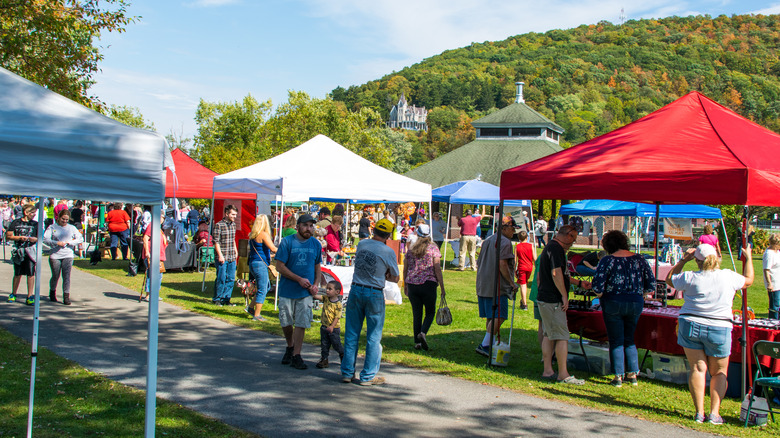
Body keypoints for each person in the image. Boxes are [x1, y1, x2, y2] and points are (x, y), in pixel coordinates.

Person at [666, 243, 753, 425]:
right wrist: (749, 257)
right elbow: (749, 280)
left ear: (697, 261)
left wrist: (683, 260)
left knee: (697, 368)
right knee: (719, 372)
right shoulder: (728, 276)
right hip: (719, 326)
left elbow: (670, 279)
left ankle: (699, 412)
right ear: (717, 258)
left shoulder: (690, 277)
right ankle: (714, 413)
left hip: (691, 323)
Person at [591, 231, 655, 387]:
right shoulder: (640, 259)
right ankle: (632, 374)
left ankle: (618, 376)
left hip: (613, 301)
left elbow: (597, 287)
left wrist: (600, 294)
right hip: (635, 301)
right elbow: (651, 285)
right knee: (629, 338)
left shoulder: (607, 260)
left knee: (616, 339)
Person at [341, 218, 400, 386]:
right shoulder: (388, 251)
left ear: (374, 230)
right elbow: (395, 277)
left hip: (356, 289)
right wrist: (386, 275)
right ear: (388, 235)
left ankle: (347, 372)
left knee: (352, 333)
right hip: (374, 292)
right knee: (373, 336)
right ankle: (367, 376)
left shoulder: (362, 244)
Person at [537, 225, 590, 384]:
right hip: (553, 300)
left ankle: (548, 370)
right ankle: (563, 374)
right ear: (567, 235)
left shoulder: (549, 247)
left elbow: (552, 274)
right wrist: (564, 296)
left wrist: (578, 283)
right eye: (572, 239)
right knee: (561, 337)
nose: (572, 243)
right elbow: (556, 273)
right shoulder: (557, 249)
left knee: (548, 334)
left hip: (544, 298)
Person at [275, 213, 323, 370]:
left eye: (311, 226)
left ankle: (297, 354)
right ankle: (290, 346)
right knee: (286, 321)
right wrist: (298, 279)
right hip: (287, 289)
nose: (309, 229)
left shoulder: (315, 244)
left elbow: (317, 268)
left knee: (301, 322)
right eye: (305, 225)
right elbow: (279, 266)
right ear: (298, 227)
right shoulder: (287, 242)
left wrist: (315, 284)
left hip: (305, 293)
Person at [474, 216, 519, 356]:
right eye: (512, 228)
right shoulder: (505, 242)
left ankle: (490, 343)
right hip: (497, 285)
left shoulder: (488, 240)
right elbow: (502, 264)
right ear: (504, 228)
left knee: (491, 315)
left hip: (484, 283)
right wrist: (512, 282)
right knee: (500, 315)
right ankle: (486, 344)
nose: (514, 231)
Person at [403, 224, 445, 351]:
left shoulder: (411, 250)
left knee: (417, 314)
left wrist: (405, 285)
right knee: (430, 312)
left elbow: (405, 268)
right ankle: (423, 332)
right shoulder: (433, 248)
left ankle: (417, 342)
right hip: (428, 283)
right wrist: (442, 286)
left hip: (412, 284)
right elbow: (437, 268)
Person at [43, 209, 83, 305]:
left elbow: (80, 238)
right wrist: (56, 243)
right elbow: (45, 239)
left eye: (66, 219)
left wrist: (70, 242)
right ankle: (52, 291)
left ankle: (66, 296)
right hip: (56, 254)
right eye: (63, 219)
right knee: (55, 275)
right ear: (58, 218)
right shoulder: (52, 227)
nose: (64, 221)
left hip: (68, 254)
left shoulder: (72, 228)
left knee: (66, 276)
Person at [7, 203, 39, 305]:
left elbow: (40, 237)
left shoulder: (35, 224)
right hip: (19, 250)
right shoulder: (15, 222)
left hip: (30, 250)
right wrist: (19, 238)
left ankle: (30, 296)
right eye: (32, 213)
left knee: (30, 273)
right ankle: (13, 293)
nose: (34, 214)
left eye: (34, 213)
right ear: (25, 212)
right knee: (17, 273)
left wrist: (35, 239)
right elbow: (9, 235)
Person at [247, 214, 277, 322]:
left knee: (266, 287)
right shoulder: (263, 234)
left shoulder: (252, 235)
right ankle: (257, 314)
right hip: (260, 264)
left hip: (254, 263)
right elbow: (273, 248)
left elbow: (260, 251)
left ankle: (250, 307)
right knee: (262, 289)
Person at [314, 281, 345, 369]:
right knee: (324, 344)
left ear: (337, 292)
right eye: (327, 288)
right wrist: (312, 292)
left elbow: (337, 317)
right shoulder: (326, 299)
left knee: (336, 344)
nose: (327, 291)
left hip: (333, 328)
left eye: (330, 289)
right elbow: (317, 297)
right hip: (324, 326)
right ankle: (324, 359)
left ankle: (343, 355)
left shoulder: (338, 304)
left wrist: (332, 326)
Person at [212, 205, 238, 306]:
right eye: (232, 214)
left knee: (231, 278)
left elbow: (233, 239)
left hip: (231, 254)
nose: (234, 216)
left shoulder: (233, 225)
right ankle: (217, 298)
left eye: (235, 215)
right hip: (223, 255)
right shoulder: (219, 225)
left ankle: (226, 299)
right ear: (227, 214)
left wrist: (235, 250)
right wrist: (220, 255)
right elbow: (216, 242)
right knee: (221, 278)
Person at [140, 210, 168, 302]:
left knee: (159, 275)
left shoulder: (159, 228)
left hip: (159, 256)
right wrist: (147, 252)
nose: (162, 219)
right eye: (161, 217)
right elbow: (145, 238)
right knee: (151, 275)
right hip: (152, 255)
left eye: (163, 218)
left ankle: (155, 293)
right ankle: (149, 294)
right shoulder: (152, 226)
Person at [514, 230, 537, 311]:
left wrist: (514, 270)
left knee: (523, 285)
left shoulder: (517, 247)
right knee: (525, 283)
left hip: (521, 267)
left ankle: (524, 304)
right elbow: (534, 258)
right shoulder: (531, 246)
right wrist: (536, 267)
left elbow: (515, 260)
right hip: (529, 267)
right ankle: (523, 301)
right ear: (527, 237)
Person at [762, 233, 780, 320]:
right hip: (774, 284)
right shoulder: (769, 254)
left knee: (778, 305)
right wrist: (769, 283)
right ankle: (773, 321)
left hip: (779, 281)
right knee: (775, 305)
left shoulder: (777, 252)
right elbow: (766, 269)